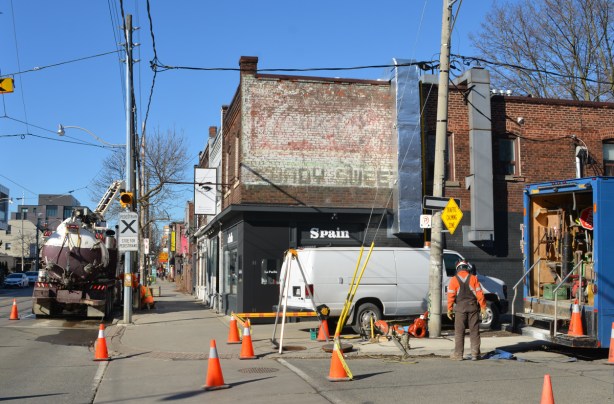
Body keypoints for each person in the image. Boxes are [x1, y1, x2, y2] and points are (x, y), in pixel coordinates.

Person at [447, 260, 487, 361]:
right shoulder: (473, 278)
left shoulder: (454, 279)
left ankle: (458, 355)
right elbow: (480, 294)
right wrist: (483, 307)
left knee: (459, 332)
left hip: (460, 308)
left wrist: (449, 309)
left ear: (458, 269)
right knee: (474, 331)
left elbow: (451, 295)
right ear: (467, 268)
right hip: (473, 307)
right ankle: (475, 354)